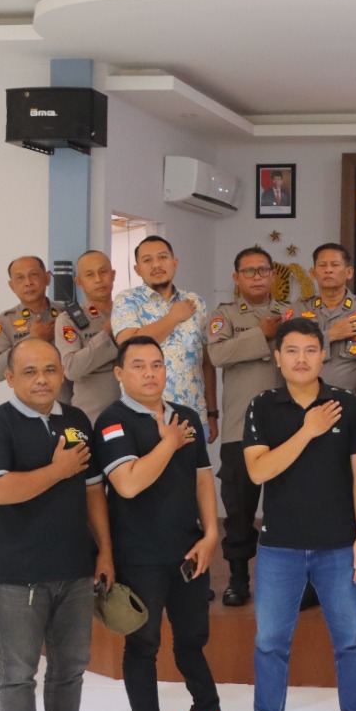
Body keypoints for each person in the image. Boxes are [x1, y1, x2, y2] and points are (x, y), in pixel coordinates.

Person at [0, 339, 113, 711]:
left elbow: (93, 490)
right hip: (18, 573)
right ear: (10, 378)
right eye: (30, 372)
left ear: (61, 374)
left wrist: (104, 551)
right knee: (18, 674)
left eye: (50, 370)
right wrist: (57, 470)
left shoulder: (77, 421)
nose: (42, 380)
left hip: (74, 567)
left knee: (71, 666)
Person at [235, 318, 356, 711]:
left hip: (338, 544)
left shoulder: (347, 404)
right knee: (270, 641)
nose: (301, 359)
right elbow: (258, 471)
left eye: (310, 350)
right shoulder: (262, 405)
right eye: (292, 351)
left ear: (322, 356)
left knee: (350, 639)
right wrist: (307, 430)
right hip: (280, 546)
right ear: (277, 358)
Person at [94, 336, 232, 711]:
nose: (150, 373)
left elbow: (203, 478)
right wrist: (168, 442)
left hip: (188, 550)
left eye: (156, 364)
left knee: (193, 639)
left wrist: (211, 534)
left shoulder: (185, 416)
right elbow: (128, 483)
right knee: (143, 644)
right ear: (120, 373)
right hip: (139, 555)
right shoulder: (113, 422)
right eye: (138, 365)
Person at [303, 242, 356, 609]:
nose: (328, 271)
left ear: (348, 271)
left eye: (335, 265)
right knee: (312, 499)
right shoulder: (298, 311)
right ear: (313, 273)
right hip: (309, 418)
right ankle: (311, 583)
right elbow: (288, 358)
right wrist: (330, 335)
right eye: (321, 265)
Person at [207, 246, 287, 606]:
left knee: (283, 512)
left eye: (263, 270)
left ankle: (280, 580)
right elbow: (217, 354)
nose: (257, 276)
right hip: (240, 428)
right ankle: (238, 580)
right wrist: (260, 333)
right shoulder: (224, 315)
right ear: (236, 278)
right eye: (249, 271)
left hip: (286, 430)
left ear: (272, 275)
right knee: (239, 511)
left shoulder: (289, 313)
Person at [112, 235, 217, 440]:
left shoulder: (195, 302)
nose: (156, 265)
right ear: (137, 269)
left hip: (194, 415)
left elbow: (206, 362)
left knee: (196, 464)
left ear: (174, 262)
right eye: (147, 260)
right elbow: (128, 344)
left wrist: (212, 413)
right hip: (144, 417)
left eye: (162, 257)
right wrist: (173, 317)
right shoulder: (127, 300)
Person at [59, 249, 120, 425]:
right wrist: (105, 334)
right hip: (92, 416)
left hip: (133, 411)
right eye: (89, 274)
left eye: (103, 272)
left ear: (113, 275)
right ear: (79, 281)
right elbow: (71, 368)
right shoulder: (69, 319)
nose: (98, 279)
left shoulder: (128, 312)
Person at [0, 255, 64, 386]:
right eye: (20, 278)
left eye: (33, 275)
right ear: (12, 286)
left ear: (47, 278)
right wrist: (32, 339)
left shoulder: (66, 314)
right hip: (31, 395)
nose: (28, 282)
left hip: (70, 395)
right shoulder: (4, 322)